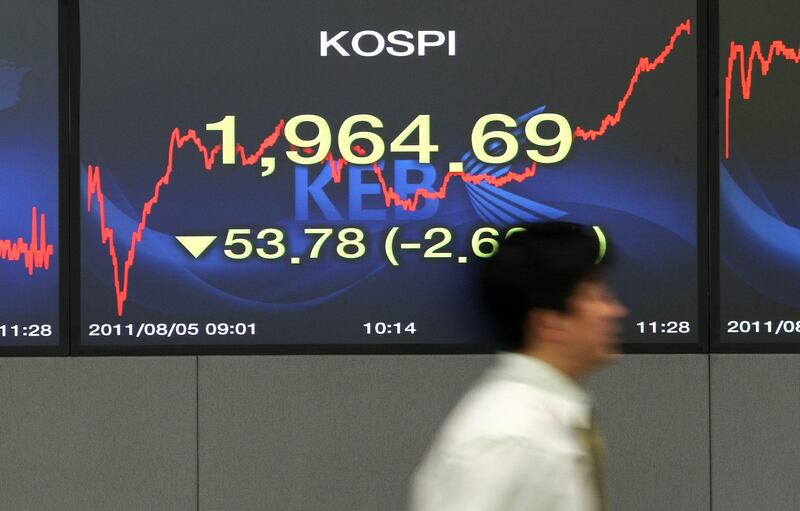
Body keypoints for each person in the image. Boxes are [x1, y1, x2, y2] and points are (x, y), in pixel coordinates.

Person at [409, 221, 628, 511]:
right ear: (549, 323)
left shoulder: (546, 421)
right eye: (596, 296)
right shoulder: (509, 436)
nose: (615, 310)